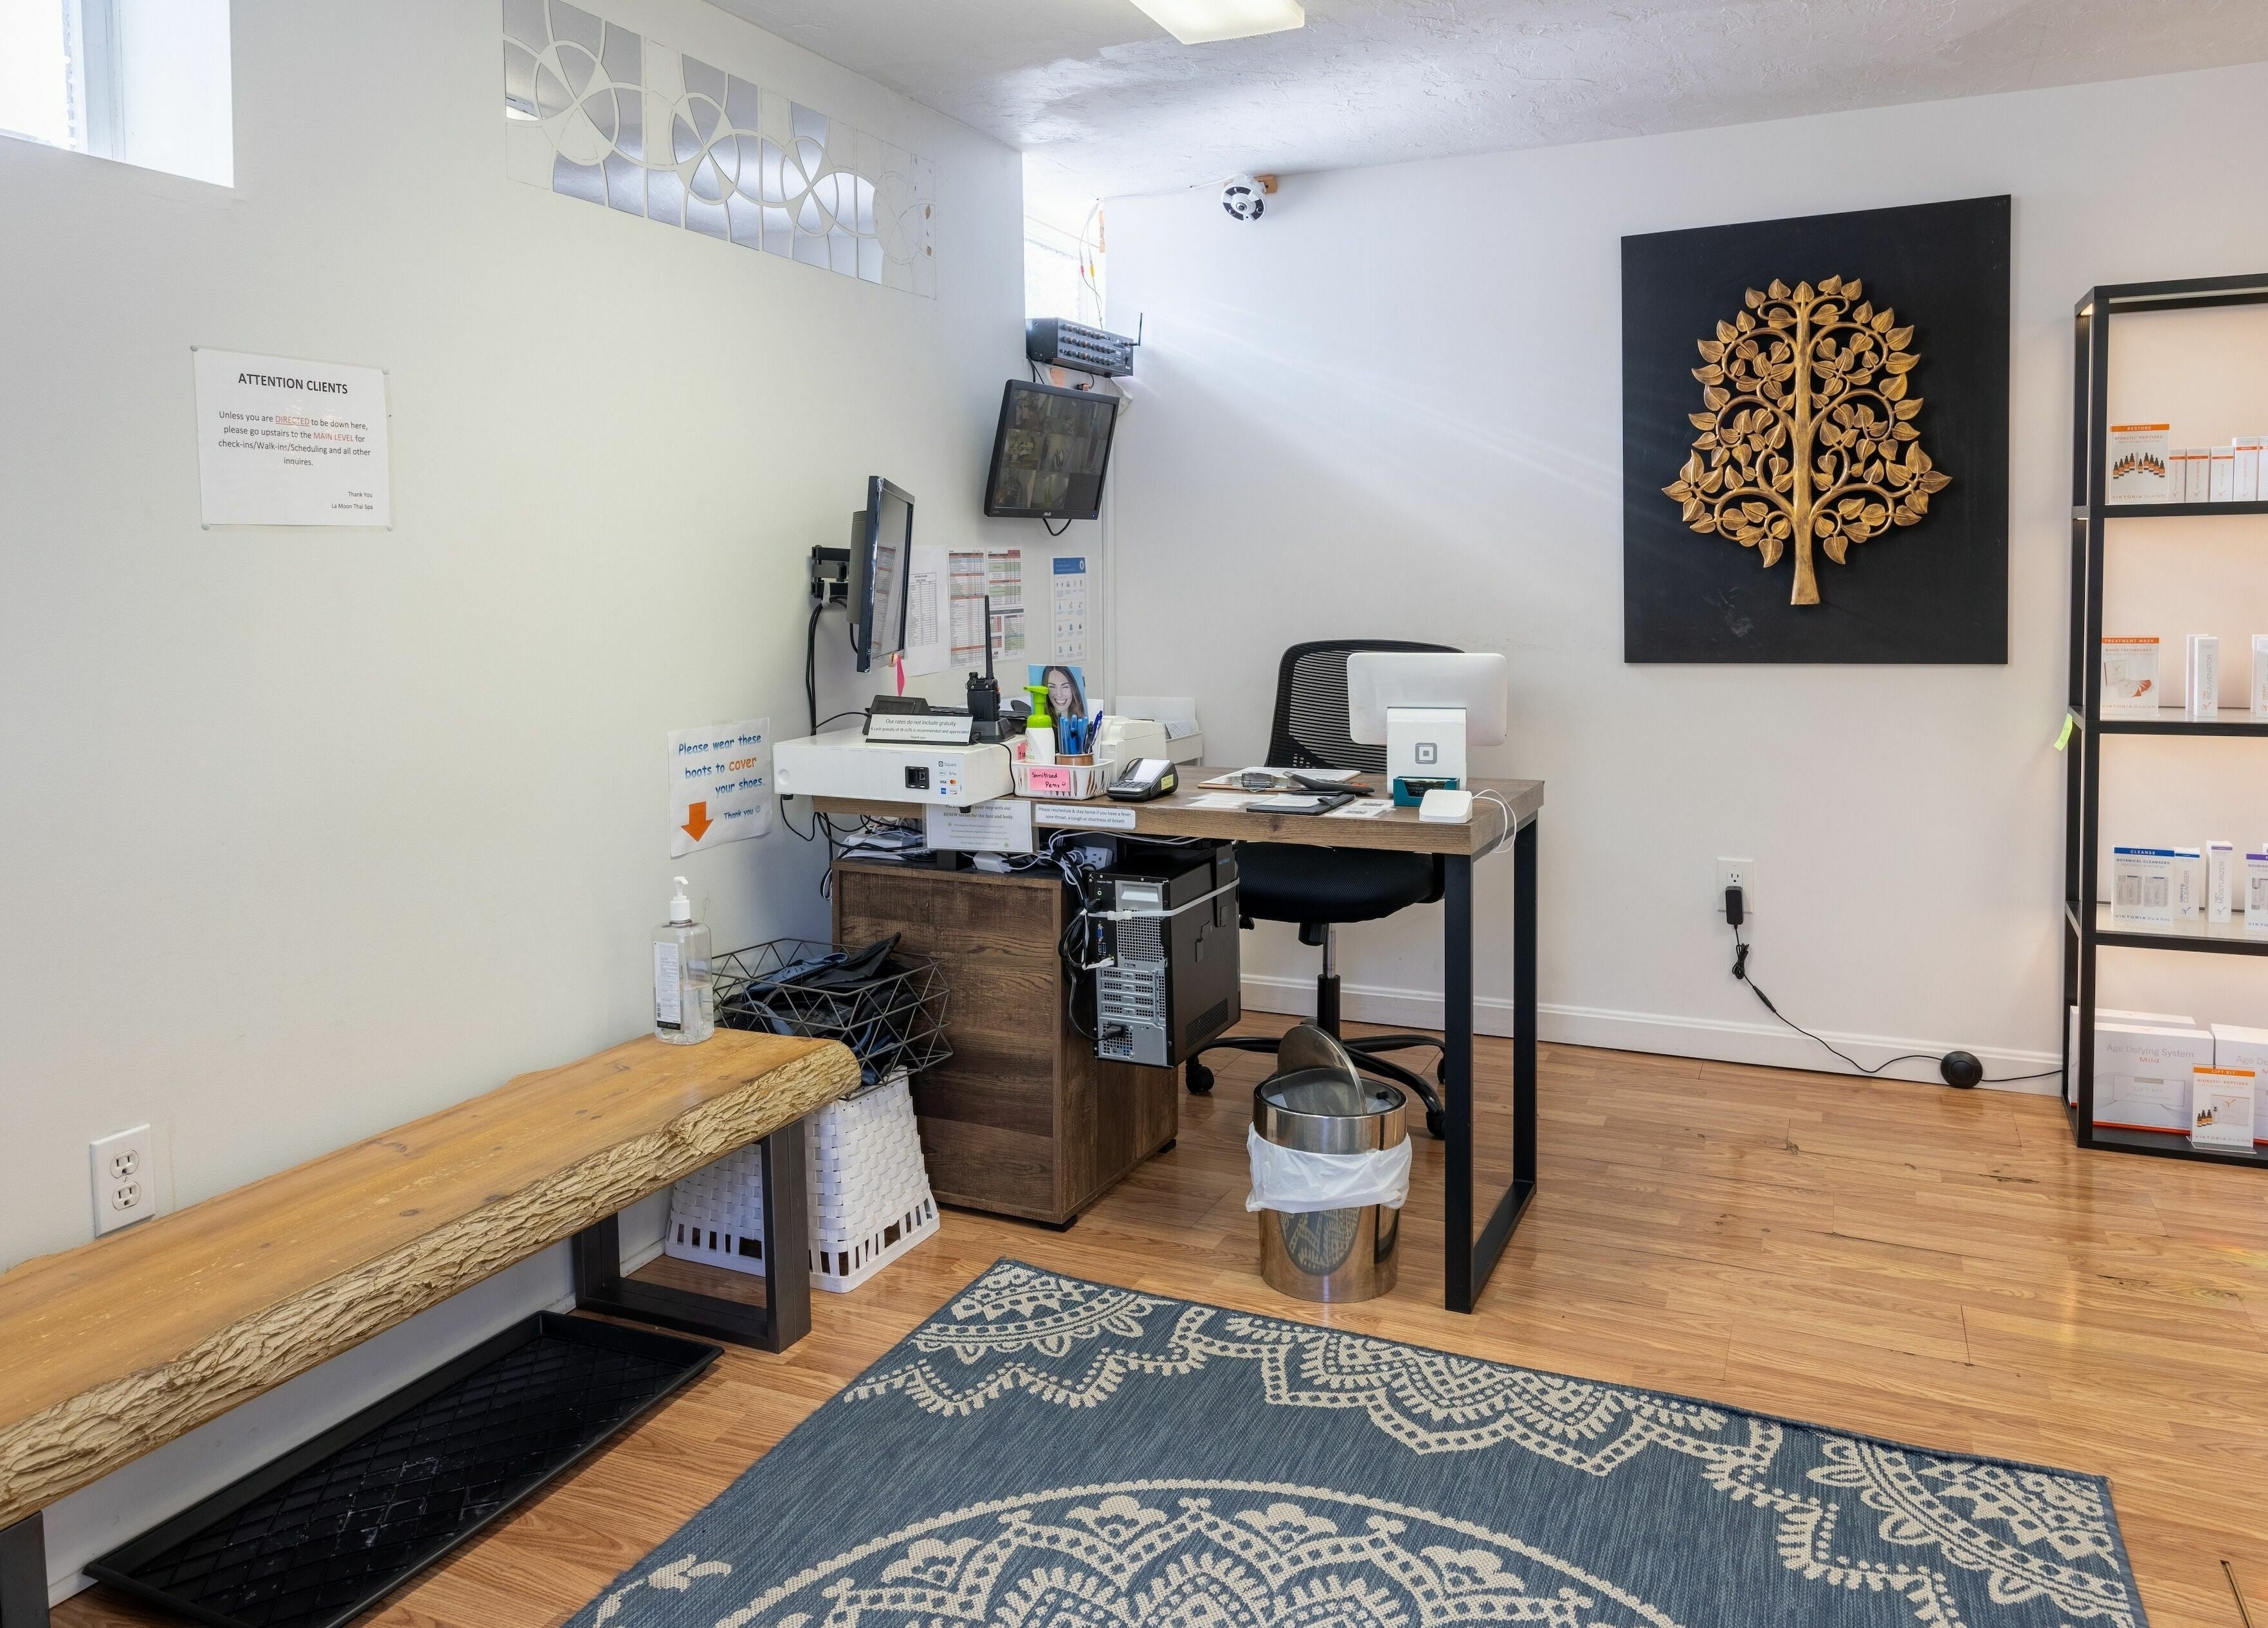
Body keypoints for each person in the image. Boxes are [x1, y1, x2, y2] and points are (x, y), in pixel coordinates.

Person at [1040, 664, 1086, 749]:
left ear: (1073, 689)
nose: (1059, 694)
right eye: (1052, 687)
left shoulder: (1082, 723)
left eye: (1065, 687)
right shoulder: (1045, 728)